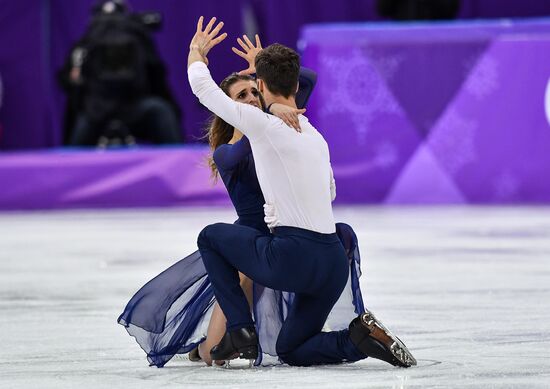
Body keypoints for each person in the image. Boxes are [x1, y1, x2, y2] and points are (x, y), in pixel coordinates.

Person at [118, 34, 365, 367]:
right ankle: (213, 345)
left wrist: (267, 78)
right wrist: (270, 103)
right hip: (253, 239)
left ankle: (333, 333)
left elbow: (300, 81)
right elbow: (261, 122)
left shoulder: (270, 126)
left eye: (253, 90)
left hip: (287, 240)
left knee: (342, 235)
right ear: (231, 108)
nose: (250, 98)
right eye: (241, 96)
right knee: (213, 354)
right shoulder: (231, 151)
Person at [188, 16, 416, 367]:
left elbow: (201, 87)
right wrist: (270, 85)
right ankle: (359, 341)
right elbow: (329, 192)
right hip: (331, 262)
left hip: (291, 254)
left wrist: (195, 51)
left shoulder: (263, 127)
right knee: (291, 349)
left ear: (261, 86)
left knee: (209, 237)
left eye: (254, 89)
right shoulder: (313, 135)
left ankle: (241, 331)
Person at [58, 0, 182, 147]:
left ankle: (69, 166)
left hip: (95, 112)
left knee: (74, 150)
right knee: (162, 110)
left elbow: (68, 82)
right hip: (129, 108)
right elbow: (158, 78)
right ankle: (182, 166)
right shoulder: (139, 35)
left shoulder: (85, 43)